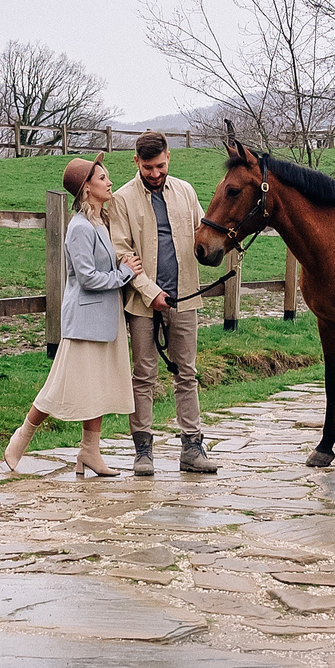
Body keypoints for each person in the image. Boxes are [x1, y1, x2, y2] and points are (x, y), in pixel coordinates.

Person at [5, 156, 139, 477]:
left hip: (105, 319)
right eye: (102, 178)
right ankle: (21, 437)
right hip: (84, 322)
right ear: (86, 188)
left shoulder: (101, 223)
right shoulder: (79, 227)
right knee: (59, 386)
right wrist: (123, 273)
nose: (109, 182)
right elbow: (87, 277)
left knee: (98, 387)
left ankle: (89, 451)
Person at [103, 131, 218, 475]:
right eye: (148, 167)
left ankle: (192, 446)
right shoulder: (121, 200)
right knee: (144, 375)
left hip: (185, 298)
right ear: (136, 162)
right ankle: (143, 451)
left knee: (187, 372)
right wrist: (150, 292)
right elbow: (122, 252)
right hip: (143, 304)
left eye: (160, 166)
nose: (155, 173)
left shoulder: (186, 191)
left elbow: (202, 235)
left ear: (169, 157)